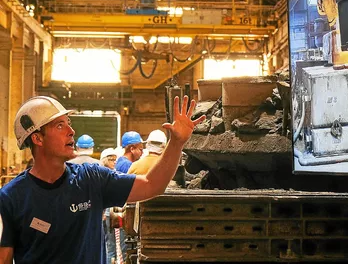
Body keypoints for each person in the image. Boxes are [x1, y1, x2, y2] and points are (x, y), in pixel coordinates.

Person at [0, 95, 205, 264]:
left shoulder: (91, 179)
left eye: (69, 124)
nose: (71, 131)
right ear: (37, 138)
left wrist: (177, 143)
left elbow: (152, 185)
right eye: (60, 126)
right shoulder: (12, 198)